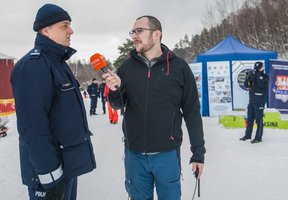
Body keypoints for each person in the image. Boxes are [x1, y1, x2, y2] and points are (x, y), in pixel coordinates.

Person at [102, 15, 206, 200]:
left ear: (157, 34)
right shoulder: (126, 67)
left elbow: (191, 112)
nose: (134, 36)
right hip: (134, 155)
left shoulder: (179, 67)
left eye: (139, 31)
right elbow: (118, 104)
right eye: (132, 31)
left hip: (166, 155)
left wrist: (198, 153)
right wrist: (114, 90)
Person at [10, 4, 96, 200]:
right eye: (64, 26)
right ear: (45, 30)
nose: (71, 31)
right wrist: (50, 176)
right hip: (50, 175)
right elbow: (32, 127)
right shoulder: (34, 66)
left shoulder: (58, 63)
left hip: (66, 168)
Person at [240, 61, 269, 143]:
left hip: (260, 101)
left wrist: (258, 75)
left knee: (259, 120)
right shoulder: (253, 75)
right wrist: (248, 78)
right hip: (252, 101)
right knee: (250, 119)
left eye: (259, 67)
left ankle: (258, 137)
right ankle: (248, 135)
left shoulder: (265, 77)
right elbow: (247, 86)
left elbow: (261, 85)